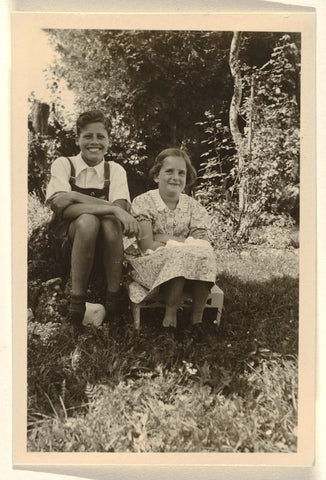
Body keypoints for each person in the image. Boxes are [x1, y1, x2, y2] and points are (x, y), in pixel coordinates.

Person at [46, 110, 140, 334]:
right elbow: (60, 207)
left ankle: (113, 300)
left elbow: (120, 210)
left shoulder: (115, 170)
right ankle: (76, 306)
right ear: (78, 138)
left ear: (108, 140)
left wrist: (75, 197)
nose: (94, 142)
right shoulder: (64, 164)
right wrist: (109, 208)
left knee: (109, 222)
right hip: (68, 237)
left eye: (101, 136)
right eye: (88, 136)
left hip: (107, 240)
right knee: (88, 221)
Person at [125, 148, 217, 340]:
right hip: (149, 263)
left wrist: (165, 237)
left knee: (204, 254)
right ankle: (170, 319)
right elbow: (147, 245)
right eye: (169, 171)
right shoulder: (144, 202)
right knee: (181, 255)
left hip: (186, 263)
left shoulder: (193, 206)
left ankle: (197, 321)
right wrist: (184, 245)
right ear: (157, 176)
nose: (176, 177)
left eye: (181, 173)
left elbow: (202, 243)